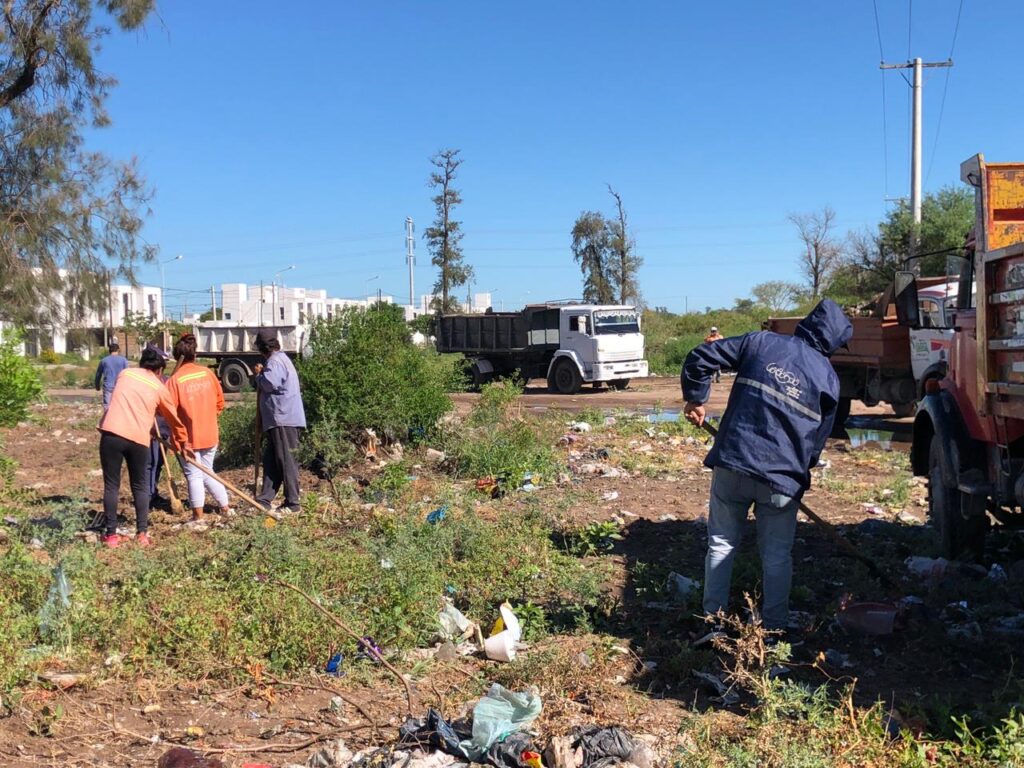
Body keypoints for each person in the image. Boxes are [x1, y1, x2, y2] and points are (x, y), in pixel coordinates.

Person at [681, 299, 852, 631]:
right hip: (781, 481)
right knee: (776, 558)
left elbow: (701, 356)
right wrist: (799, 469)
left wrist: (695, 398)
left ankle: (712, 623)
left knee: (721, 544)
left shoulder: (759, 342)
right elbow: (816, 443)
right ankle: (774, 631)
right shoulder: (829, 379)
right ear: (831, 340)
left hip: (733, 463)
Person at [97, 347, 191, 548]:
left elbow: (128, 400)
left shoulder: (125, 373)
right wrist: (181, 442)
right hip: (138, 439)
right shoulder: (159, 387)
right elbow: (173, 419)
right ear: (159, 370)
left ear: (142, 363)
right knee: (140, 486)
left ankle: (111, 535)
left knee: (111, 486)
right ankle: (142, 534)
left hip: (111, 434)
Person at [167, 333, 232, 523]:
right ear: (194, 355)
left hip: (187, 438)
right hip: (210, 433)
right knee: (207, 471)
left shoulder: (175, 381)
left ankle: (198, 516)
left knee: (194, 475)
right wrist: (207, 417)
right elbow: (220, 403)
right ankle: (225, 507)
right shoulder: (207, 374)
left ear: (176, 357)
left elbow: (168, 412)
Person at [253, 328, 306, 512]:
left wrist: (259, 376)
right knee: (271, 461)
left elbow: (269, 383)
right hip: (279, 420)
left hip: (283, 418)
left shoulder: (275, 362)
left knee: (286, 460)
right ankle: (265, 499)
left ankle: (293, 502)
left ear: (262, 348)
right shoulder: (280, 359)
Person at [145, 343, 172, 507]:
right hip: (150, 430)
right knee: (150, 463)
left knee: (159, 462)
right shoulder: (146, 383)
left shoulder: (167, 381)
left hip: (164, 429)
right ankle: (147, 495)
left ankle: (153, 491)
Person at [94, 341, 130, 410]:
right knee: (120, 406)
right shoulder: (123, 360)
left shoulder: (104, 361)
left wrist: (97, 385)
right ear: (118, 350)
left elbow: (98, 374)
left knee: (107, 406)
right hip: (120, 386)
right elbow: (128, 374)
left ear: (109, 350)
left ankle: (108, 420)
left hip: (108, 386)